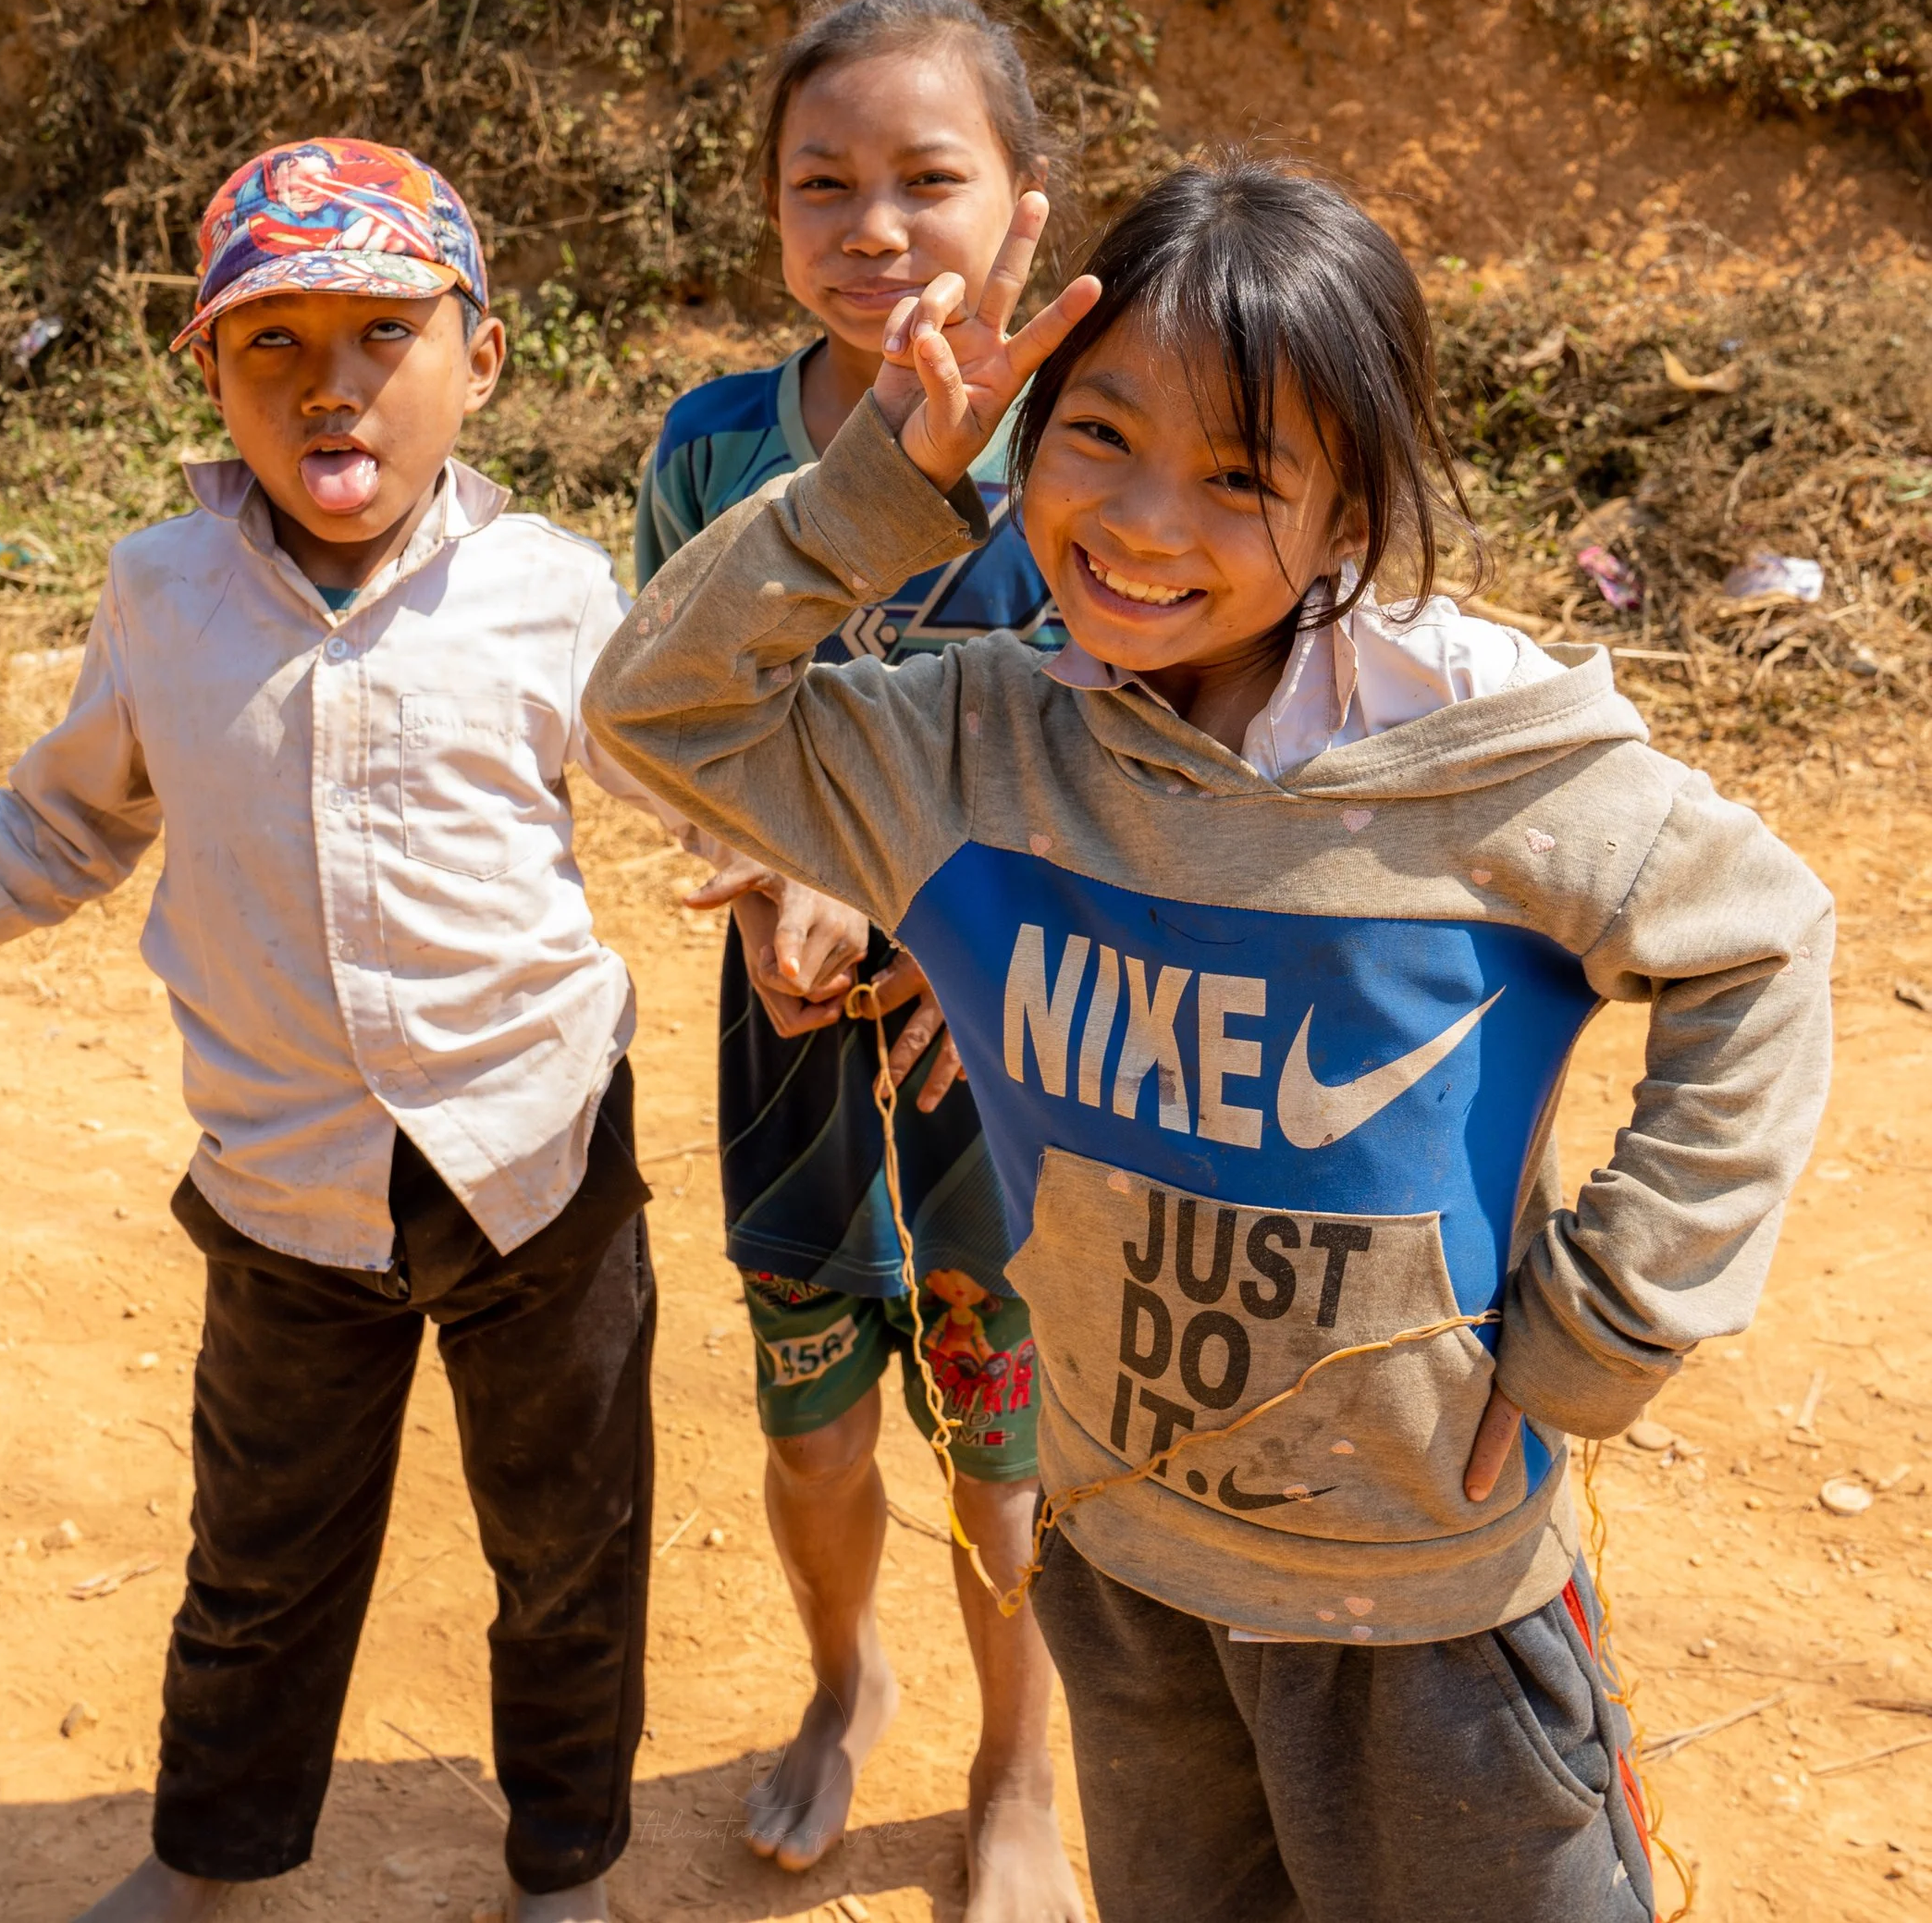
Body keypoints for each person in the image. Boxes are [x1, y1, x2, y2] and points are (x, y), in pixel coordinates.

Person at [585, 154, 1835, 1922]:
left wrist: (1616, 1318)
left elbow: (1765, 942)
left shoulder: (1480, 775)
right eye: (1097, 438)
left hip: (1430, 1602)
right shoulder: (975, 750)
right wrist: (878, 484)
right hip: (1123, 1556)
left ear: (1346, 518)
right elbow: (655, 711)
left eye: (1244, 474)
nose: (1148, 522)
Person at [0, 138, 708, 1923]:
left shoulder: (548, 590)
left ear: (482, 357)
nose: (331, 381)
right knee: (261, 1560)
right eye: (274, 344)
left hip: (535, 1162)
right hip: (284, 1189)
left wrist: (795, 886)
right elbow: (61, 821)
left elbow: (684, 782)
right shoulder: (164, 592)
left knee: (569, 1552)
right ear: (209, 377)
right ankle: (209, 1857)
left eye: (384, 330)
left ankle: (565, 1868)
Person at [633, 0, 1083, 1921]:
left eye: (927, 179)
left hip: (1011, 1049)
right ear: (767, 217)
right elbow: (667, 720)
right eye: (822, 183)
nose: (872, 227)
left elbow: (1126, 747)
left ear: (1025, 214)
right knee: (806, 1418)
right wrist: (759, 873)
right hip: (788, 1033)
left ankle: (1013, 1760)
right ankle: (843, 1676)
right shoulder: (713, 446)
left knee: (1001, 1442)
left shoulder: (1084, 450)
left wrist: (939, 909)